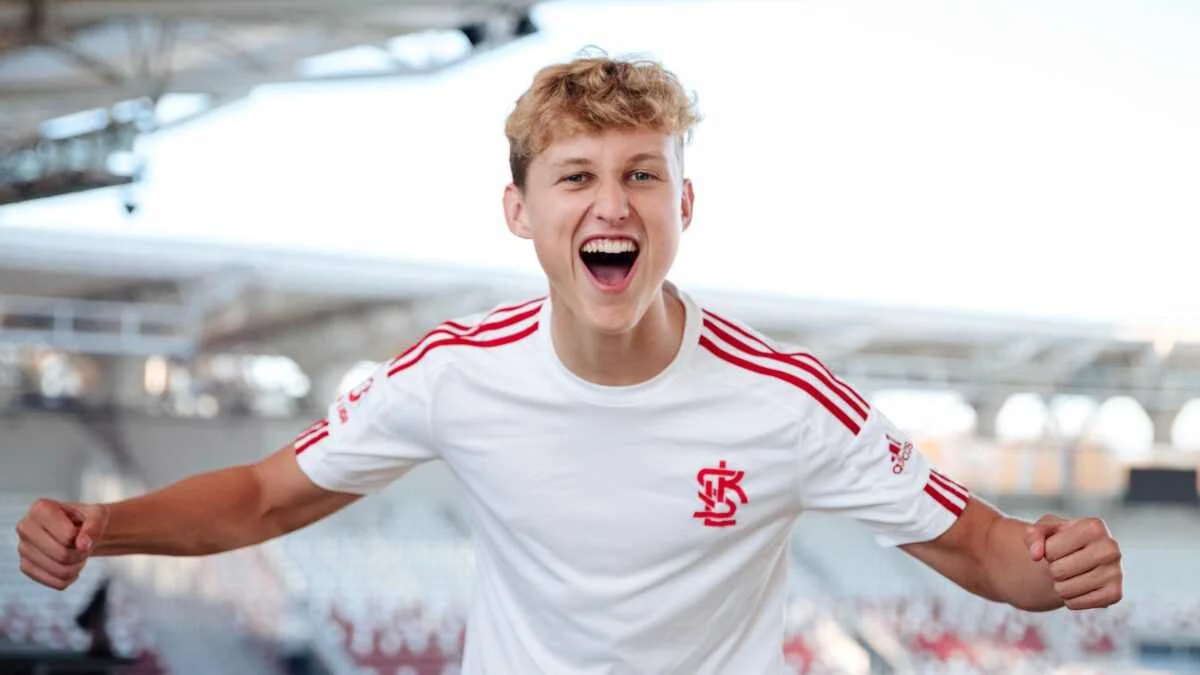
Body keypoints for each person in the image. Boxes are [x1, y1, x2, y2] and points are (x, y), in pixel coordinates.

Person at [15, 52, 1123, 674]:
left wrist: (1055, 565)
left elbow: (986, 550)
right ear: (521, 209)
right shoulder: (453, 373)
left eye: (643, 175)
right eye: (577, 175)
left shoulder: (790, 402)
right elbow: (262, 497)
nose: (612, 203)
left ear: (683, 205)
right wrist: (103, 525)